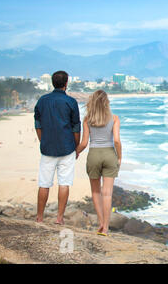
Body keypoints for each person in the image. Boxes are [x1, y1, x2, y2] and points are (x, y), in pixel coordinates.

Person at [34, 70, 81, 224]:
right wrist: (76, 146)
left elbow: (38, 124)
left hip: (47, 148)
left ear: (52, 83)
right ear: (66, 83)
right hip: (67, 147)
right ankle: (59, 218)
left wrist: (43, 140)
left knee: (44, 183)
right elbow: (75, 127)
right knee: (64, 183)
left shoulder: (42, 100)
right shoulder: (71, 102)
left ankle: (40, 217)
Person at [76, 90, 121, 236]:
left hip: (94, 154)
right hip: (109, 154)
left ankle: (101, 224)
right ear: (106, 102)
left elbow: (84, 143)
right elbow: (116, 140)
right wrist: (119, 157)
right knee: (107, 193)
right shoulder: (114, 118)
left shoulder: (87, 119)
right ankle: (106, 228)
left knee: (95, 192)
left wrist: (76, 152)